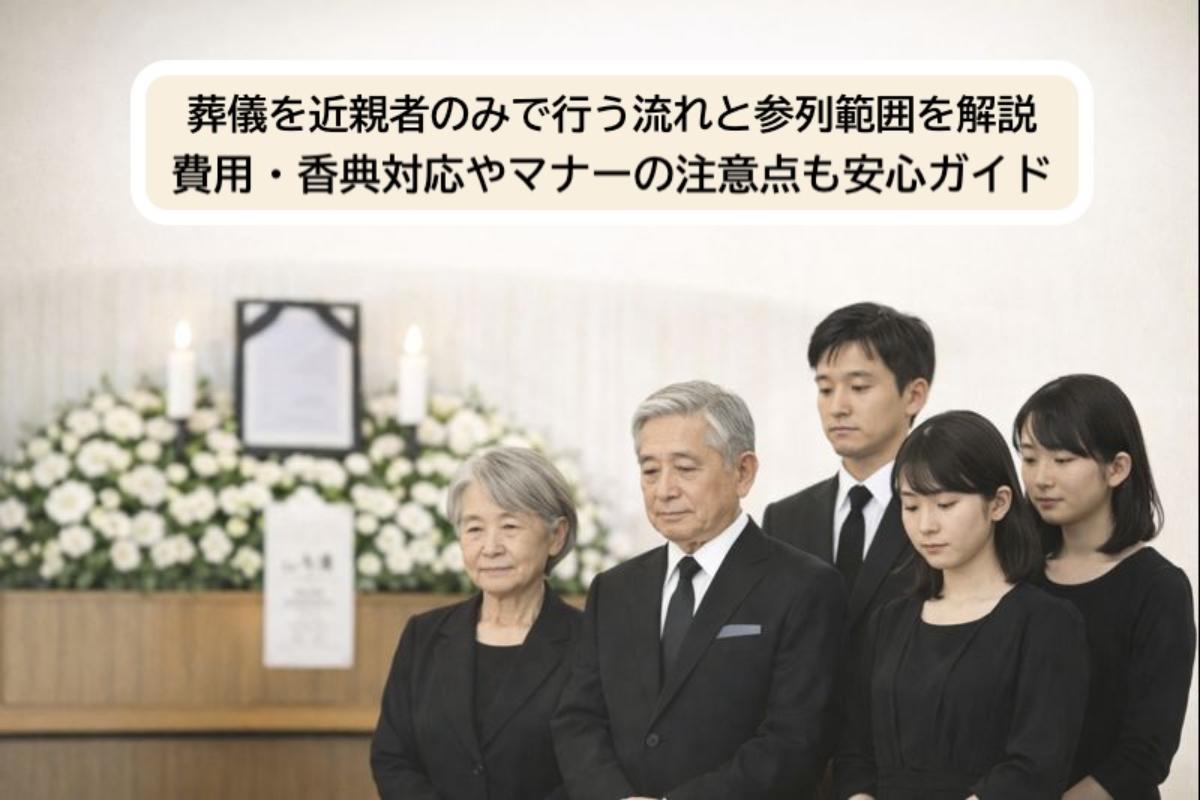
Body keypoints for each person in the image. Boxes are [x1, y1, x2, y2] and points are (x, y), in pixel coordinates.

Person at [553, 380, 847, 800]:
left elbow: (795, 740)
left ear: (743, 472)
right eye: (650, 471)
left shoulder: (805, 586)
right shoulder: (614, 589)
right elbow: (578, 719)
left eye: (685, 469)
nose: (664, 490)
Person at [836, 411, 1089, 800]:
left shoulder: (1046, 623)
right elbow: (854, 751)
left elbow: (1036, 766)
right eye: (911, 506)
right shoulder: (888, 621)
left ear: (998, 503)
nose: (926, 525)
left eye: (946, 504)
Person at [1014, 375, 1196, 800]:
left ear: (1117, 468)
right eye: (1029, 458)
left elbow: (1145, 751)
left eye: (1062, 460)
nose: (1041, 478)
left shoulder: (1158, 588)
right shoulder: (1017, 573)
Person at [370, 447, 582, 800]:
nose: (490, 547)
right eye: (474, 529)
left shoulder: (589, 641)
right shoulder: (424, 635)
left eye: (509, 526)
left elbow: (592, 768)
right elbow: (392, 758)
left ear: (556, 535)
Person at [762, 302, 932, 650]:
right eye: (825, 389)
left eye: (859, 387)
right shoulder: (785, 519)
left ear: (914, 396)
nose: (838, 407)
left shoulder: (943, 512)